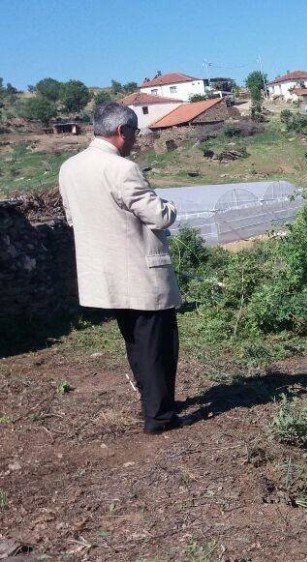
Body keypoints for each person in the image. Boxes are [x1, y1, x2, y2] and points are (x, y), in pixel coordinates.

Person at [58, 103, 188, 435]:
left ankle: (154, 403)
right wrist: (169, 205)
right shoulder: (122, 169)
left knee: (135, 342)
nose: (135, 141)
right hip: (140, 272)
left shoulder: (69, 168)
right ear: (121, 132)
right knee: (158, 344)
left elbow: (74, 219)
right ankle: (159, 415)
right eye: (133, 134)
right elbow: (159, 216)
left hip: (105, 272)